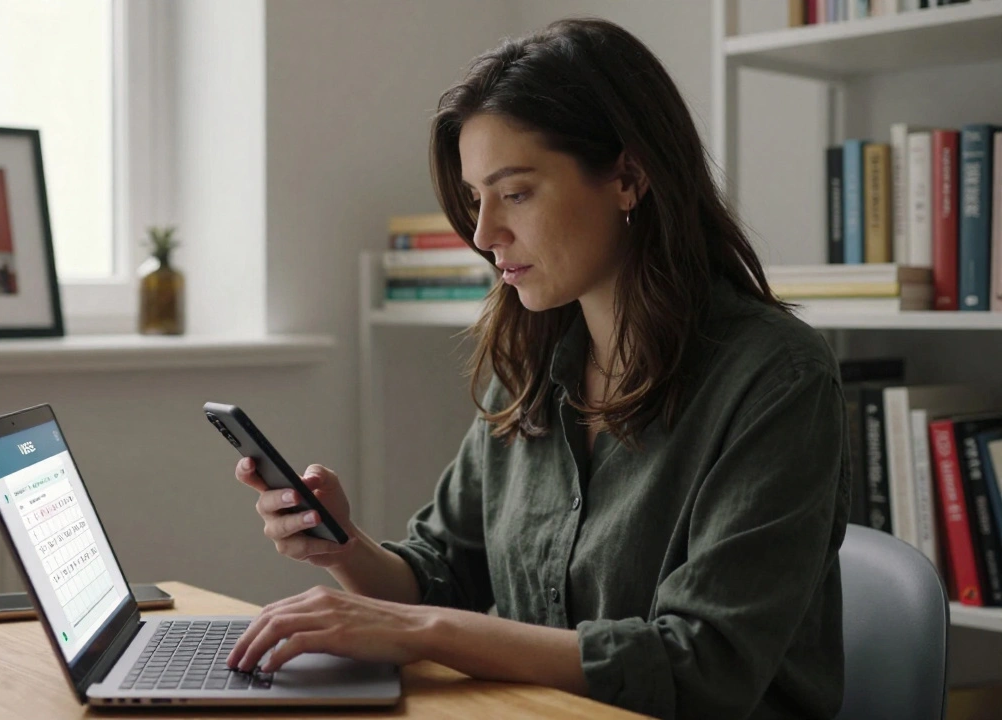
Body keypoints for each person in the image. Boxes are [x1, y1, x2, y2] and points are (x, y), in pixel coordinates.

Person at [227, 17, 848, 720]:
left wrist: (424, 632)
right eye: (474, 201)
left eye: (515, 193)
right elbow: (441, 574)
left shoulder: (777, 380)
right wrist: (340, 547)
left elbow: (700, 667)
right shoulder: (530, 368)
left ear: (628, 177)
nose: (486, 235)